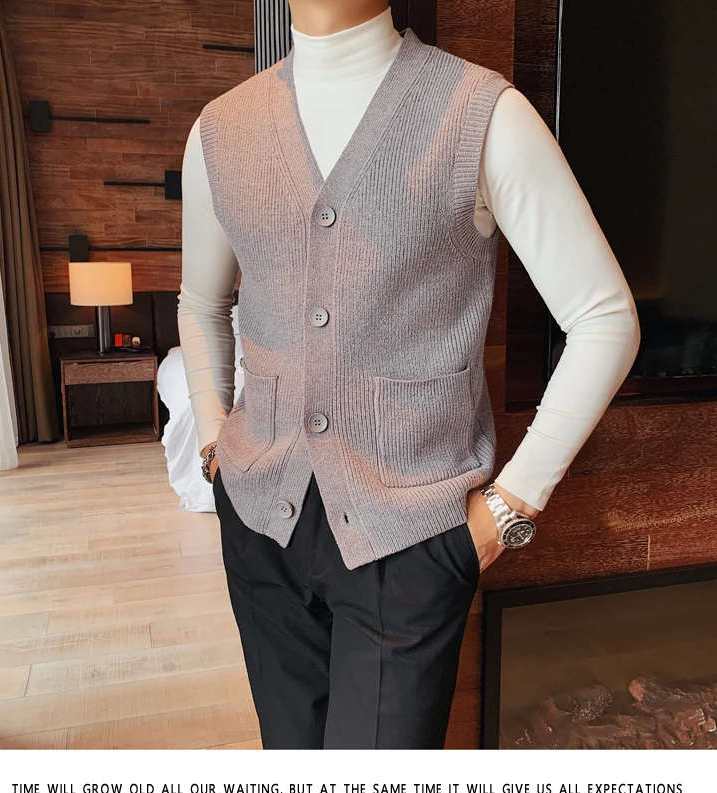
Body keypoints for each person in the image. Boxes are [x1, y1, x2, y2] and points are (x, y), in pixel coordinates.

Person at [177, 0, 640, 749]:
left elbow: (605, 317)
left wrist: (505, 514)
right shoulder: (218, 132)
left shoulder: (480, 113)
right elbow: (200, 304)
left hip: (412, 544)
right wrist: (212, 442)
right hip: (260, 525)